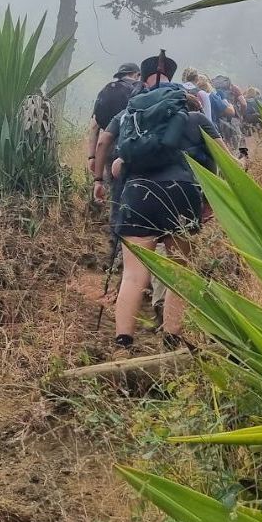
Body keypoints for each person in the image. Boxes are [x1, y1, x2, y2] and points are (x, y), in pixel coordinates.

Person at [93, 55, 219, 351]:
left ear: (143, 79)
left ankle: (123, 341)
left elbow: (103, 144)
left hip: (138, 194)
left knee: (135, 273)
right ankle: (172, 335)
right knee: (179, 267)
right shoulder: (193, 114)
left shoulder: (129, 114)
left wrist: (98, 179)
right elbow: (225, 160)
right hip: (182, 192)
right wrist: (211, 199)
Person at [85, 62, 141, 191]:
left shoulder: (105, 91)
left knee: (113, 189)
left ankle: (114, 208)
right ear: (136, 74)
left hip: (108, 148)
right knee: (132, 189)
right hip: (131, 148)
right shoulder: (138, 91)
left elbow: (94, 126)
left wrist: (92, 157)